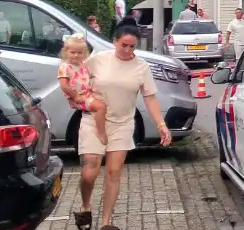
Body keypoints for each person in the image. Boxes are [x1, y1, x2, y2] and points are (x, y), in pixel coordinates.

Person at [74, 24, 172, 230]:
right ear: (115, 41)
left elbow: (150, 97)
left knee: (114, 171)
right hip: (94, 120)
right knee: (89, 171)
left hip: (123, 123)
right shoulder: (98, 59)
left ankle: (106, 222)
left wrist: (161, 125)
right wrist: (77, 97)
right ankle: (85, 207)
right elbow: (77, 80)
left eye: (132, 47)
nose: (128, 50)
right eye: (124, 45)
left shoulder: (141, 66)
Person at [57, 34, 109, 145]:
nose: (76, 55)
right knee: (101, 107)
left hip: (87, 94)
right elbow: (64, 85)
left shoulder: (82, 64)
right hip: (79, 97)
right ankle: (101, 132)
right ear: (66, 52)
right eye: (73, 52)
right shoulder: (65, 67)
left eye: (79, 53)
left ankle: (99, 124)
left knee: (107, 101)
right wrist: (75, 96)